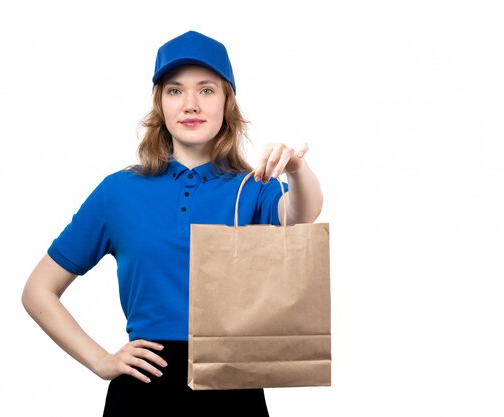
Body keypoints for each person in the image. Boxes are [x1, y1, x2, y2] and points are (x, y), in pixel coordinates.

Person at [21, 30, 323, 416]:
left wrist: (296, 170)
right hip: (146, 388)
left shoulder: (253, 190)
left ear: (227, 103)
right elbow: (38, 290)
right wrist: (100, 361)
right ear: (160, 104)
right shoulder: (119, 192)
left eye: (207, 90)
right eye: (175, 91)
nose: (191, 104)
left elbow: (301, 216)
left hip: (233, 383)